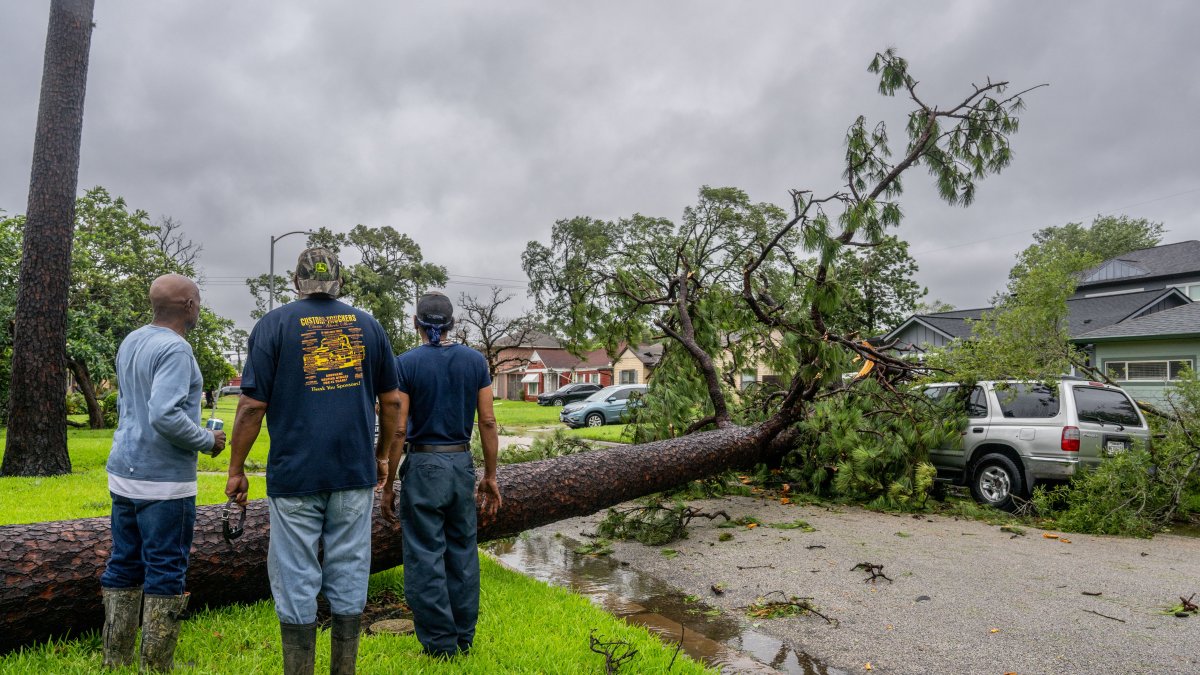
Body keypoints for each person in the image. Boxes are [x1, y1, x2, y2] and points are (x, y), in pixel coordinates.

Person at [225, 248, 401, 675]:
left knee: (295, 574)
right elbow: (392, 401)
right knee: (350, 569)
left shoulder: (273, 325)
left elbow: (251, 407)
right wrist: (381, 457)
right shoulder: (369, 326)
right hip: (352, 472)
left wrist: (236, 468)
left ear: (295, 281)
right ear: (339, 282)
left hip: (294, 473)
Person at [101, 274, 227, 672]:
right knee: (166, 569)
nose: (200, 307)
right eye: (199, 301)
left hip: (123, 471)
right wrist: (208, 441)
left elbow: (130, 406)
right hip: (163, 483)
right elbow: (165, 415)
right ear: (189, 305)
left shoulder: (133, 340)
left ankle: (115, 661)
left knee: (123, 562)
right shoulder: (176, 350)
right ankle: (155, 667)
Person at [381, 291, 501, 659]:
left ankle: (439, 645)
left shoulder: (406, 364)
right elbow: (488, 421)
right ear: (452, 324)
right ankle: (464, 637)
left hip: (425, 465)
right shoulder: (475, 361)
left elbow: (399, 430)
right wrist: (490, 476)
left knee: (424, 555)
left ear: (416, 323)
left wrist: (388, 482)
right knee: (462, 552)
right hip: (461, 464)